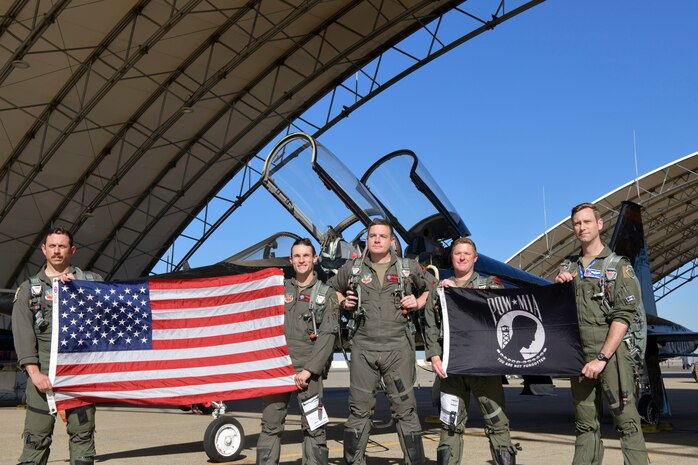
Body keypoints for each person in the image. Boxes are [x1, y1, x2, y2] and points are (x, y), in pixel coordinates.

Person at [329, 219, 432, 465]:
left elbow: (432, 287)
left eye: (382, 236)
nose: (376, 240)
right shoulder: (353, 269)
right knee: (359, 411)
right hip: (363, 349)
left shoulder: (408, 268)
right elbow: (330, 289)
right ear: (367, 239)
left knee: (405, 411)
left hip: (398, 350)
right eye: (372, 235)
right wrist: (344, 301)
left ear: (391, 241)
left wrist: (418, 302)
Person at [555, 202, 648, 465]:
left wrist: (602, 358)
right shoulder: (569, 267)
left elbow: (623, 317)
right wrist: (558, 288)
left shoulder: (618, 266)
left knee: (627, 423)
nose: (581, 227)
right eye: (576, 223)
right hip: (578, 356)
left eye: (586, 222)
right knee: (585, 425)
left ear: (599, 224)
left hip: (612, 356)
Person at [424, 237, 519, 465]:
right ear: (452, 257)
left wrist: (458, 292)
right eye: (458, 253)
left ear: (475, 258)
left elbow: (500, 310)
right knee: (449, 425)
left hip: (484, 364)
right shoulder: (439, 290)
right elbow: (430, 324)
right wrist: (435, 356)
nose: (462, 257)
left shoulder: (491, 285)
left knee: (497, 422)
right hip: (452, 366)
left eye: (467, 253)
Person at [12, 227, 102, 465]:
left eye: (62, 246)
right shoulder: (29, 291)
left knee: (83, 441)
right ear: (43, 249)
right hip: (42, 379)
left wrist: (79, 290)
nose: (57, 251)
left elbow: (107, 321)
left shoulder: (92, 283)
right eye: (52, 246)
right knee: (35, 442)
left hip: (78, 379)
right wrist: (34, 373)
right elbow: (23, 335)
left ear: (72, 250)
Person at [256, 238, 339, 465]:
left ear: (315, 259)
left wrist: (309, 370)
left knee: (315, 428)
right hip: (279, 369)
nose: (301, 260)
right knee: (270, 425)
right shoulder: (278, 289)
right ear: (291, 260)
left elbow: (328, 336)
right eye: (297, 256)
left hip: (308, 372)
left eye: (306, 256)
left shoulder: (326, 295)